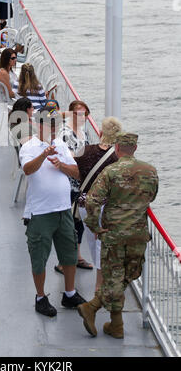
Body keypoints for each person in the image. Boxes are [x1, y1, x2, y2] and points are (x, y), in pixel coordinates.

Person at [77, 132, 159, 339]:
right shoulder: (150, 171)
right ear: (135, 149)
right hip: (138, 233)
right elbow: (152, 196)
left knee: (114, 276)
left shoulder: (110, 171)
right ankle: (116, 325)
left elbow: (92, 201)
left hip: (113, 233)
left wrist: (95, 226)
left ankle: (93, 307)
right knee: (128, 275)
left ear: (117, 149)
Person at [19, 106, 86, 317]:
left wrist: (61, 165)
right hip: (40, 212)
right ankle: (40, 297)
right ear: (38, 124)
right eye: (51, 123)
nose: (55, 127)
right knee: (39, 256)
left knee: (69, 253)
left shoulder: (62, 145)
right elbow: (28, 170)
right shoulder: (29, 147)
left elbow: (77, 172)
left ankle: (69, 293)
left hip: (64, 210)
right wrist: (44, 154)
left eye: (57, 123)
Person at [74, 116, 122, 291]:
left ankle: (99, 279)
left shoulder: (84, 150)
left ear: (100, 133)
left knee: (93, 242)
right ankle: (100, 284)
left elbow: (74, 169)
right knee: (104, 244)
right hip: (105, 206)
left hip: (85, 204)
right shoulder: (118, 157)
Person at [54, 100, 93, 275]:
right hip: (69, 184)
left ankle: (76, 257)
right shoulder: (65, 133)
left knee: (78, 222)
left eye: (84, 113)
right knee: (67, 224)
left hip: (82, 184)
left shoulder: (84, 131)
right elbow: (69, 158)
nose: (82, 117)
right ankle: (63, 261)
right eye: (77, 113)